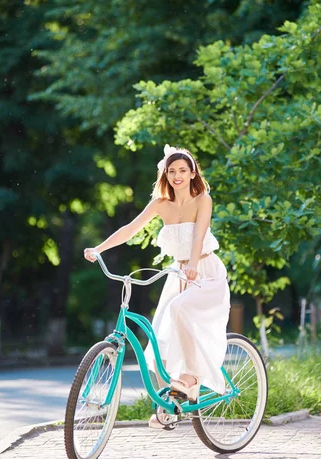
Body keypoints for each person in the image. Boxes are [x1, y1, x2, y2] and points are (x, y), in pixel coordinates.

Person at [84, 144, 230, 428]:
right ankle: (169, 405)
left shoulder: (203, 200)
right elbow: (130, 229)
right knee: (162, 337)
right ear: (166, 173)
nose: (177, 176)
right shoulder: (161, 203)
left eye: (183, 171)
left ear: (192, 173)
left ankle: (191, 379)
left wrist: (191, 266)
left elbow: (199, 235)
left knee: (178, 312)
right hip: (179, 275)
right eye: (172, 171)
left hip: (204, 272)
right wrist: (99, 248)